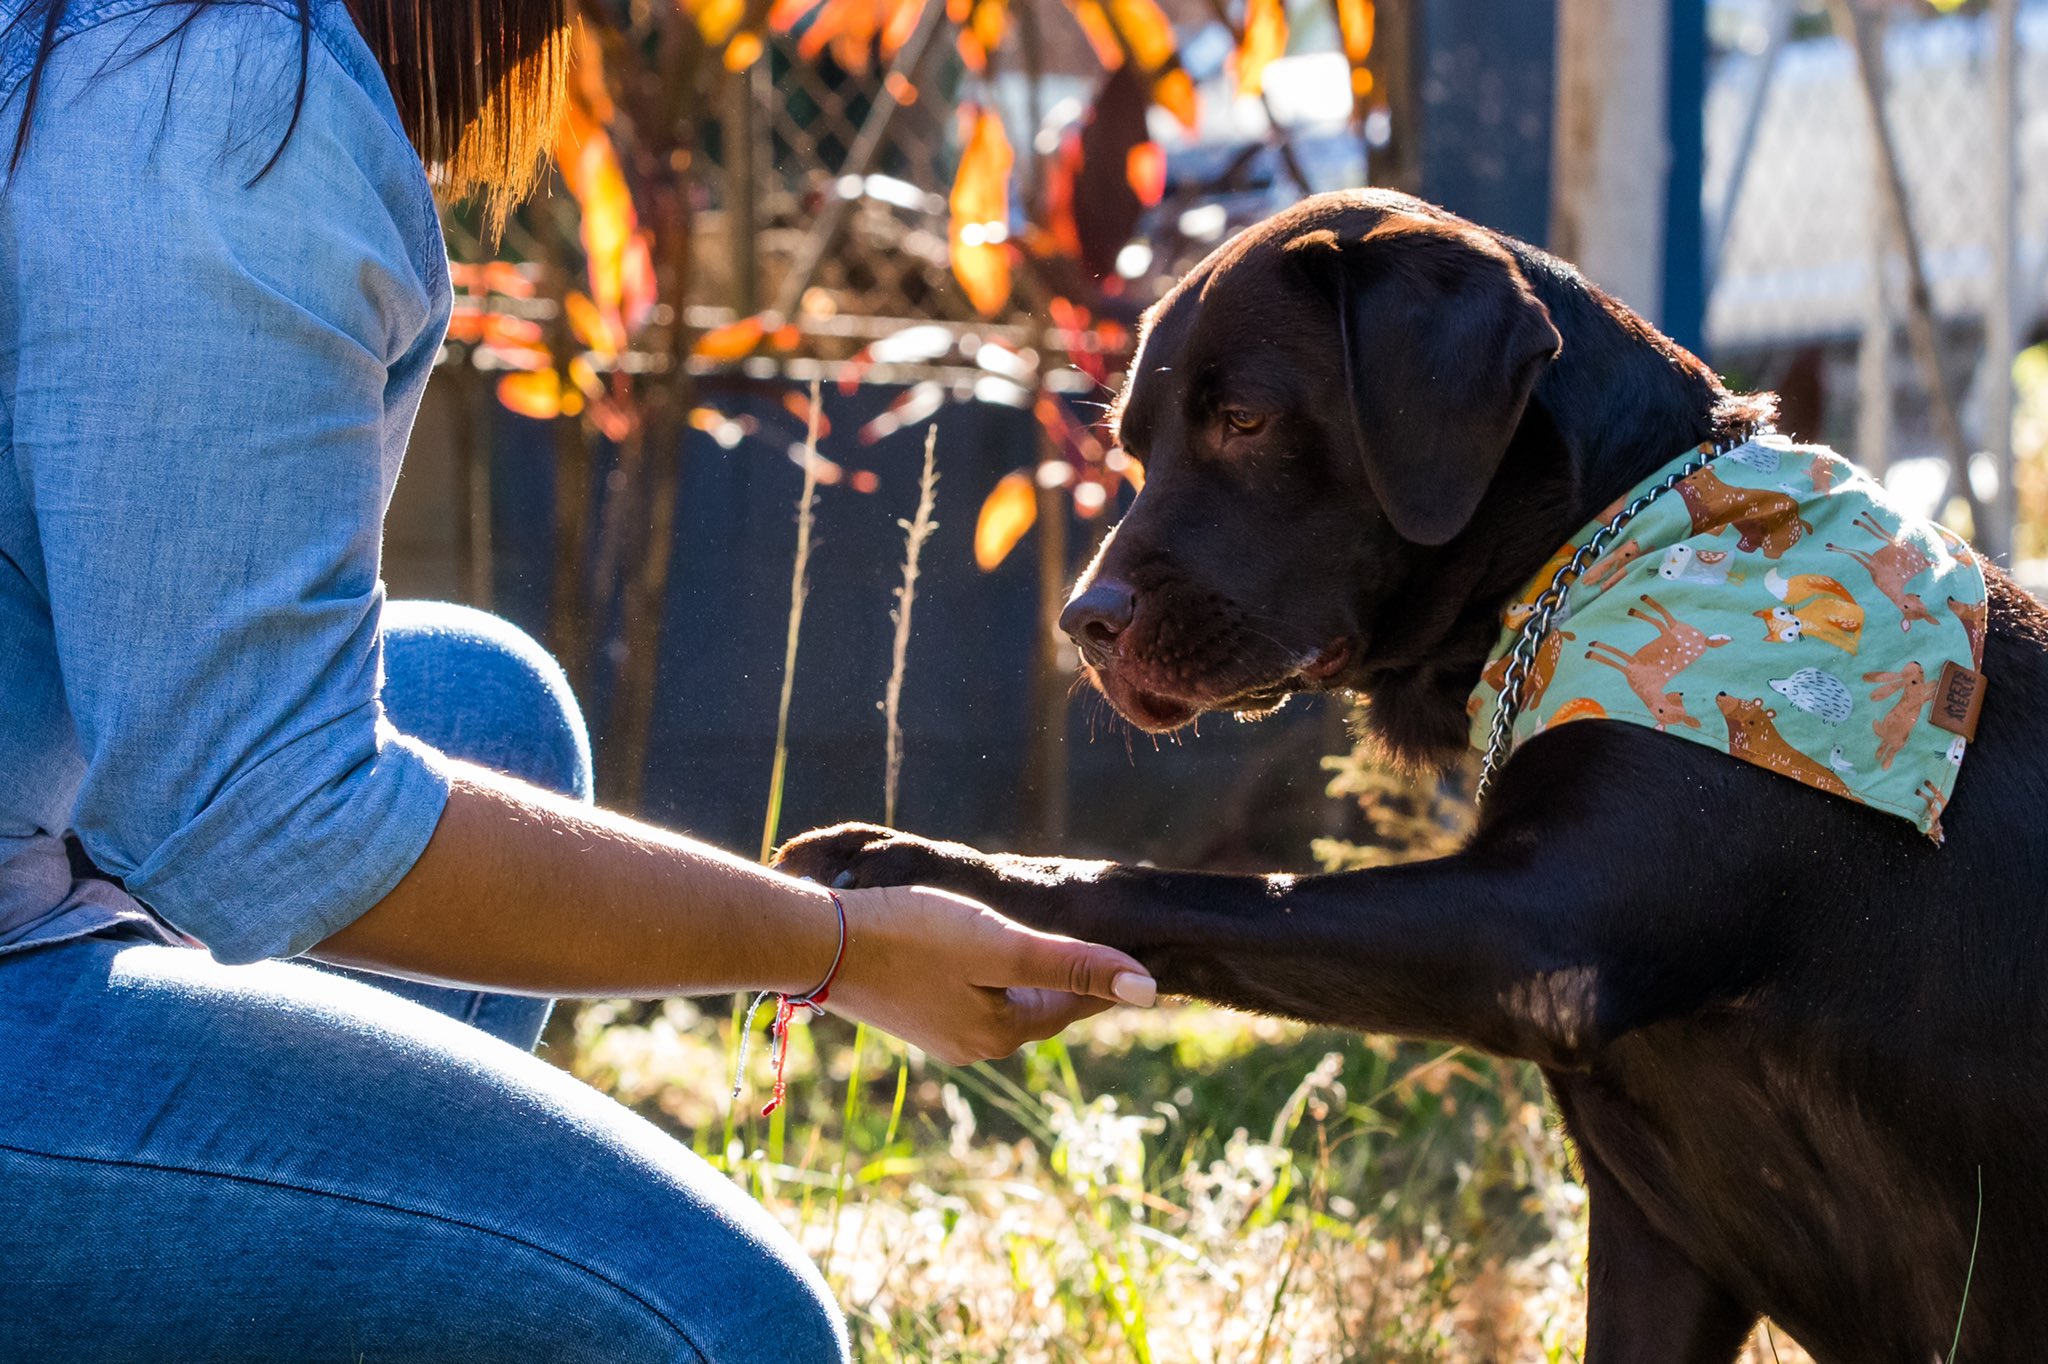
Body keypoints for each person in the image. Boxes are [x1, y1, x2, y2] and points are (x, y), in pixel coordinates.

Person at [0, 2, 1156, 1359]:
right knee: (720, 1320)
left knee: (489, 706)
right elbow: (268, 826)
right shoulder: (225, 98)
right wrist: (841, 946)